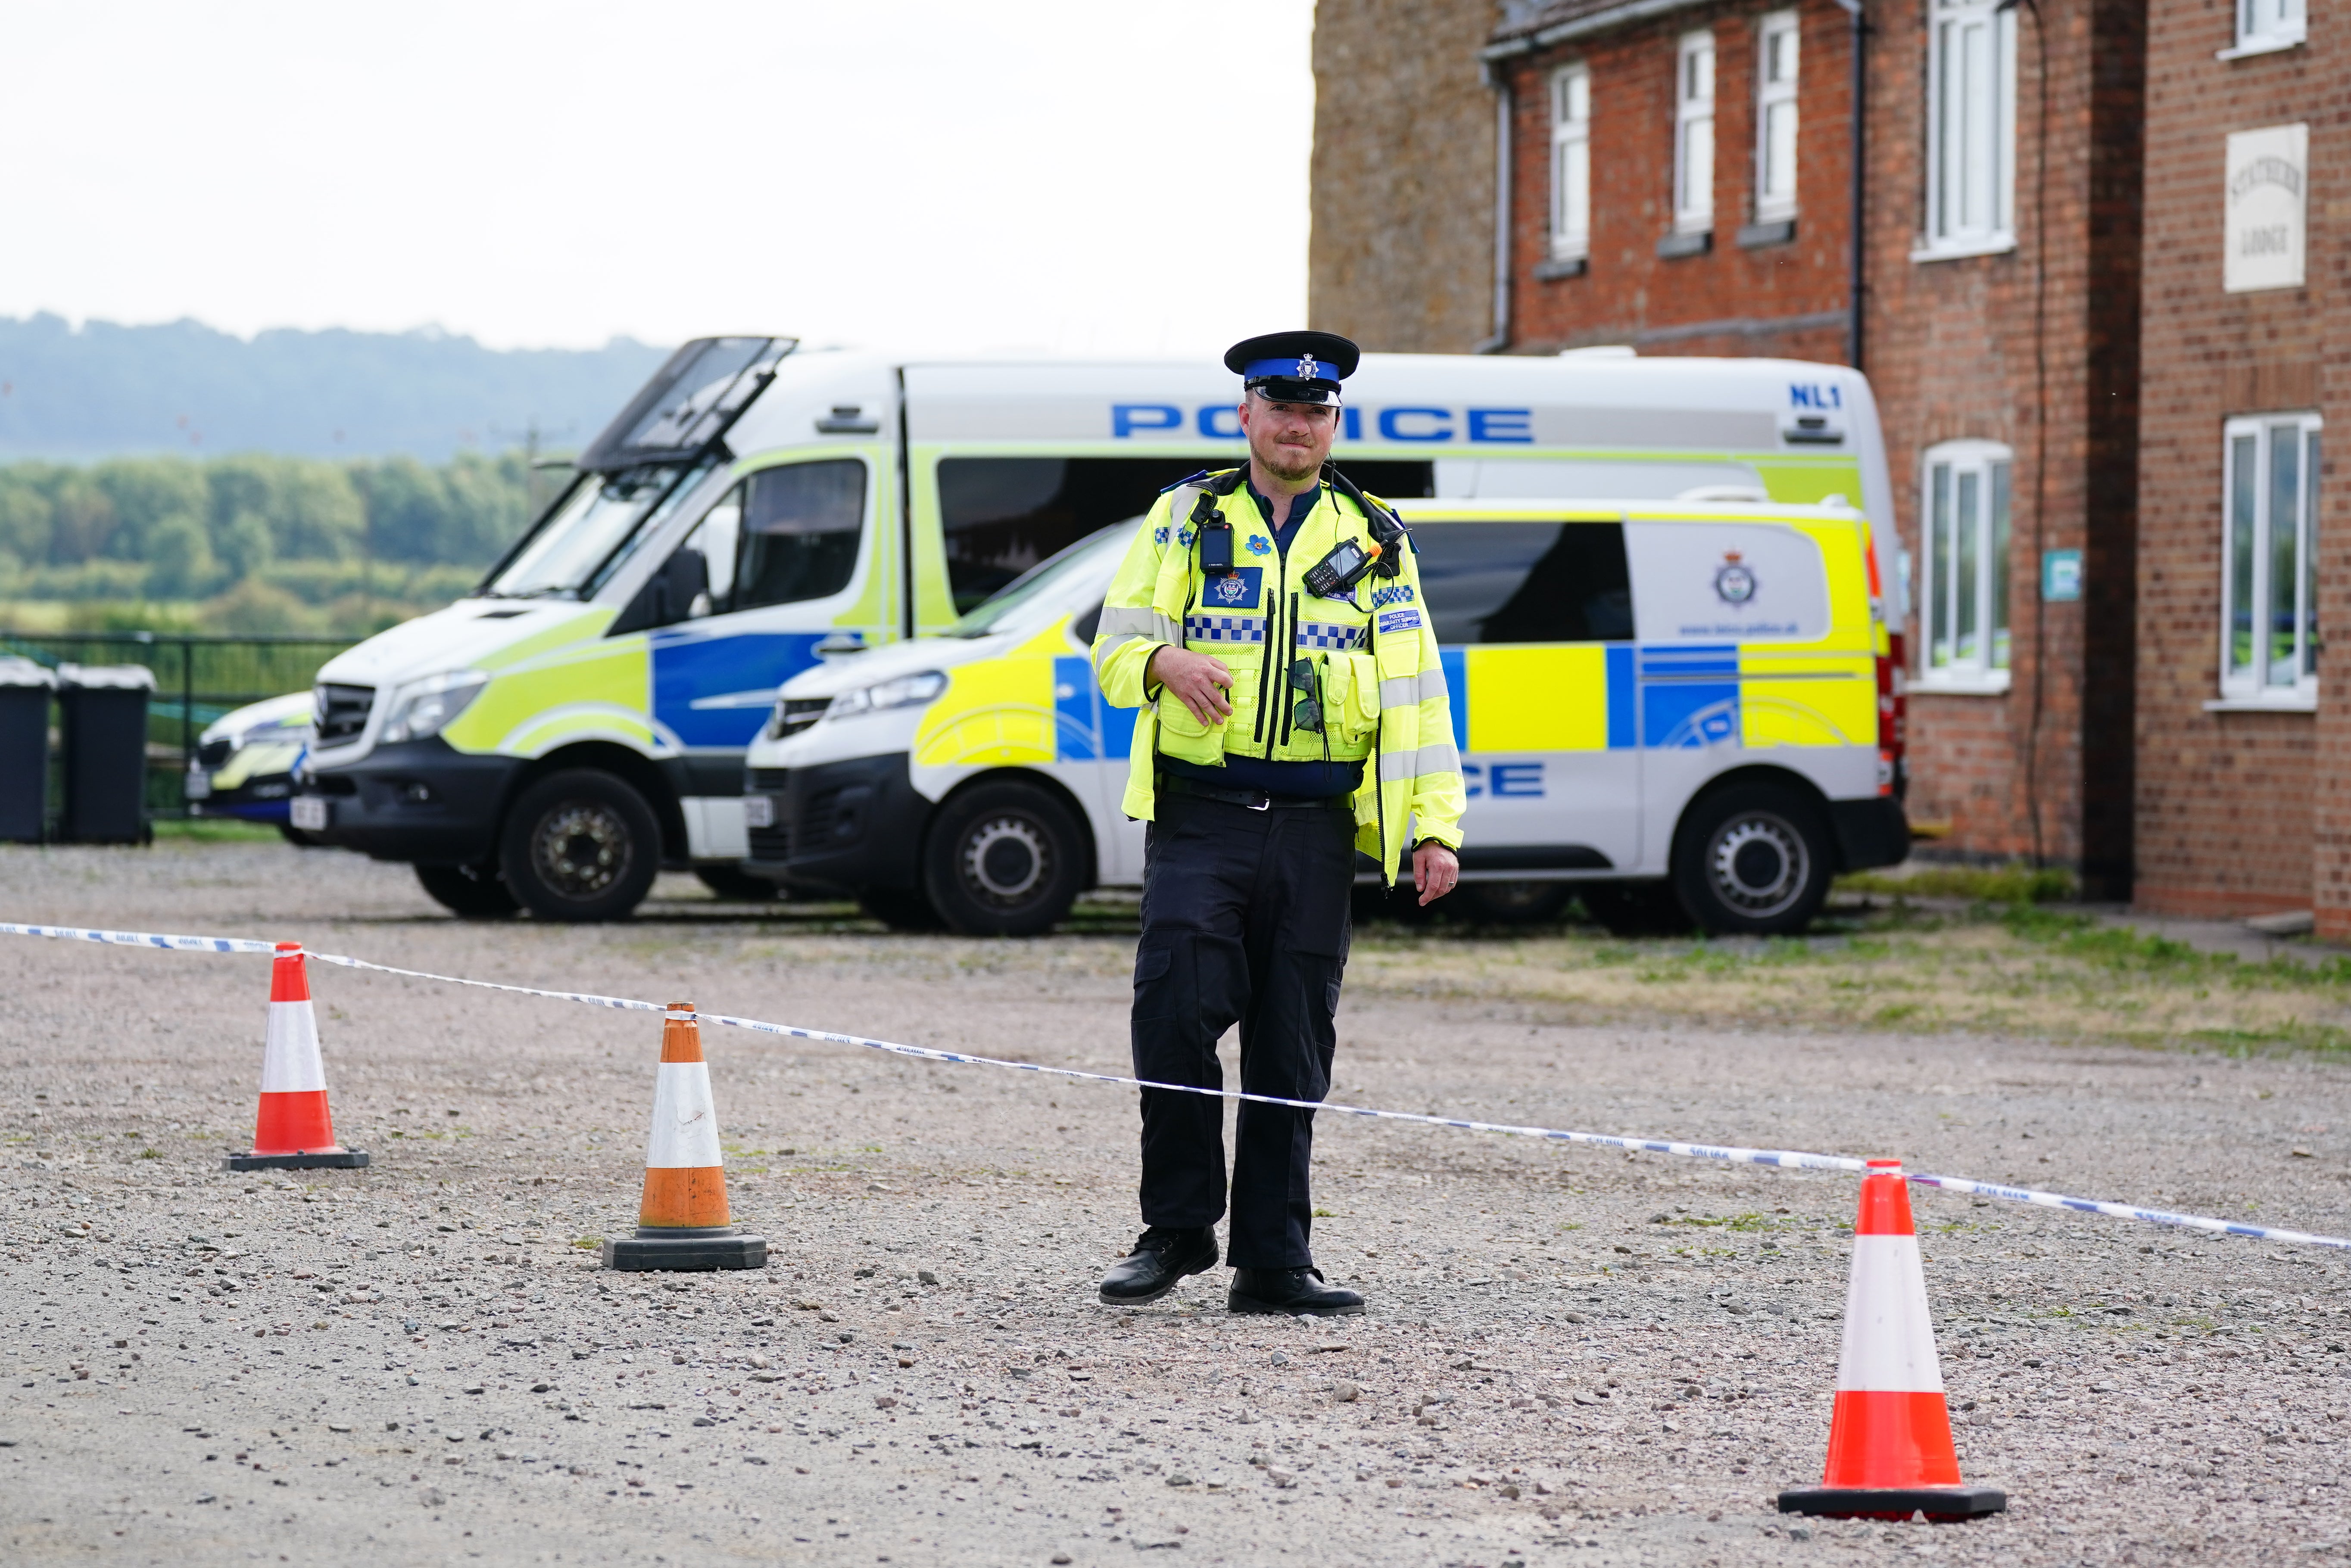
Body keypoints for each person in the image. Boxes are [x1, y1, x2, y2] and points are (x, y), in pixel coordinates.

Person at [1089, 330, 1466, 1316]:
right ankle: (1176, 1229)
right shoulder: (1186, 517)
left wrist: (1434, 827)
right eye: (1281, 408)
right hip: (1201, 814)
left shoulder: (1376, 538)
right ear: (1245, 415)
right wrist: (1162, 662)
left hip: (1316, 826)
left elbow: (1418, 693)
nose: (1297, 425)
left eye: (1315, 411)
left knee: (1292, 1044)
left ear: (1333, 424)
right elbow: (1114, 644)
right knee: (1173, 1014)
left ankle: (1272, 1259)